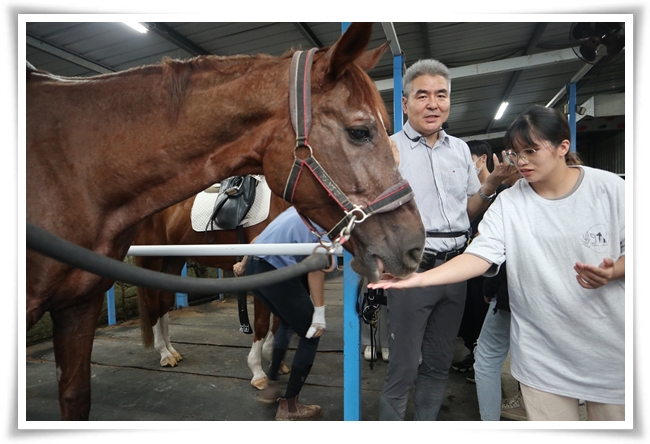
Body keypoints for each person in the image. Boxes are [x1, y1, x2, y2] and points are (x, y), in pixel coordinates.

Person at [370, 104, 625, 421]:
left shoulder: (610, 190)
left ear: (563, 147)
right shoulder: (511, 201)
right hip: (541, 357)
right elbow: (480, 254)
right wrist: (417, 278)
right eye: (515, 153)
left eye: (531, 151)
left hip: (610, 352)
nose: (522, 162)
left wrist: (615, 270)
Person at [379, 58, 517, 421]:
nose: (433, 104)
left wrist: (488, 186)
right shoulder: (387, 151)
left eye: (441, 95)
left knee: (439, 364)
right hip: (411, 273)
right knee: (403, 371)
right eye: (422, 96)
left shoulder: (459, 149)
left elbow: (466, 214)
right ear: (405, 103)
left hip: (455, 272)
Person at [242, 206, 329, 421]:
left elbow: (256, 239)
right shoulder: (325, 222)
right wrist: (319, 312)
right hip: (274, 271)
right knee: (311, 333)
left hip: (254, 267)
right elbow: (316, 268)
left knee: (287, 323)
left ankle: (271, 384)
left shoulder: (295, 209)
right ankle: (290, 406)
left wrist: (243, 263)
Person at [452, 140, 500, 377]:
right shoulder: (467, 193)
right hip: (466, 265)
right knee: (469, 316)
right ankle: (474, 355)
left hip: (489, 270)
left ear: (483, 159)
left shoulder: (500, 195)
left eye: (469, 161)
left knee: (485, 316)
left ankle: (485, 366)